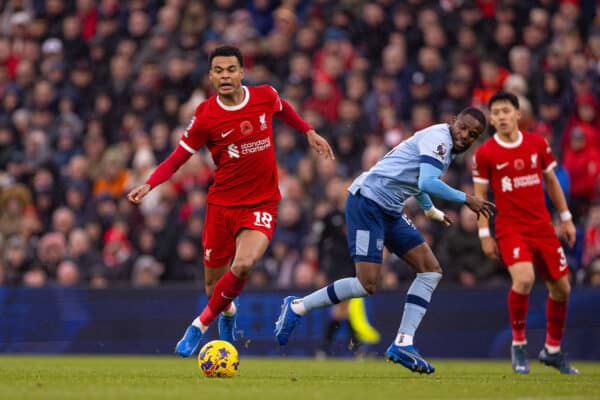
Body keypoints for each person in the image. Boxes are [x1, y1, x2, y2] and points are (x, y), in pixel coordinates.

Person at [127, 45, 334, 357]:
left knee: (245, 263)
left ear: (242, 73)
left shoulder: (264, 95)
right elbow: (178, 158)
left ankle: (198, 325)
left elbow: (284, 109)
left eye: (231, 69)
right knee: (214, 288)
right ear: (211, 76)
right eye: (219, 71)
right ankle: (227, 313)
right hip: (222, 206)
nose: (225, 76)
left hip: (262, 204)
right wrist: (150, 183)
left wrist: (308, 131)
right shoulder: (205, 116)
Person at [274, 107, 495, 374]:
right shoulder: (440, 138)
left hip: (390, 209)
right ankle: (297, 306)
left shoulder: (443, 145)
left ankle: (403, 343)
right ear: (453, 121)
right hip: (367, 202)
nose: (465, 136)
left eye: (472, 134)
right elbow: (427, 181)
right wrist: (466, 198)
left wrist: (429, 210)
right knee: (366, 283)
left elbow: (417, 180)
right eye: (463, 128)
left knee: (430, 270)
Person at [472, 91, 578, 375]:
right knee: (525, 278)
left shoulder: (537, 144)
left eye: (506, 111)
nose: (502, 117)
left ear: (518, 114)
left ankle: (552, 351)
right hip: (510, 229)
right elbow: (480, 197)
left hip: (542, 227)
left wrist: (565, 218)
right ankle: (518, 345)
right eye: (496, 113)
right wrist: (484, 234)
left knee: (562, 288)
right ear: (491, 119)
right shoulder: (485, 153)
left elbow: (552, 182)